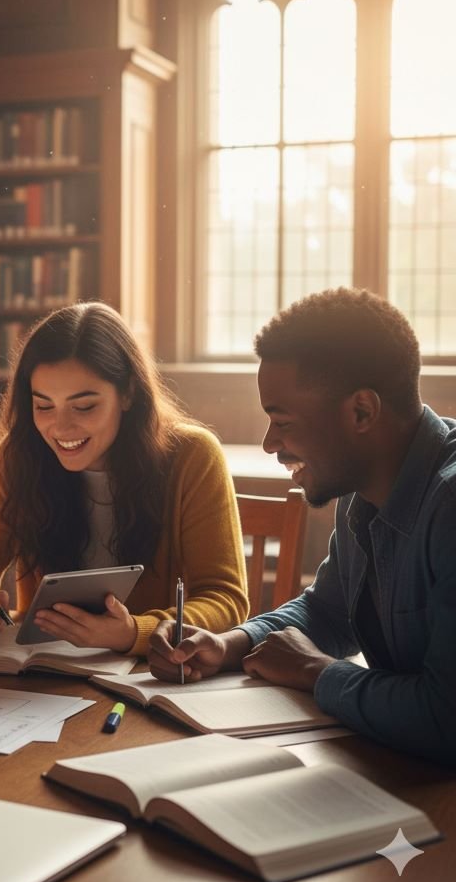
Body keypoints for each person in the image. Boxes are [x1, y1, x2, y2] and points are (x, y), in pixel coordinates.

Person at [148, 288, 456, 766]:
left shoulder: (450, 506)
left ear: (362, 412)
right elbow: (330, 613)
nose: (271, 444)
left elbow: (446, 719)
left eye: (283, 421)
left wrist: (315, 671)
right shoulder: (362, 485)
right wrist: (227, 645)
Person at [0, 301, 248, 654]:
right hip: (41, 677)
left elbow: (226, 600)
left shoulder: (192, 457)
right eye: (43, 406)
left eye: (84, 406)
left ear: (127, 393)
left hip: (151, 675)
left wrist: (134, 632)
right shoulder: (19, 456)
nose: (61, 427)